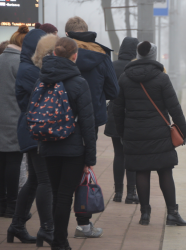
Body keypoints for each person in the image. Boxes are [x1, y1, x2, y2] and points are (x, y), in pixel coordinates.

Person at [113, 41, 186, 226]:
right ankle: (172, 214)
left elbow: (117, 109)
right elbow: (174, 107)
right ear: (153, 56)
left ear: (137, 55)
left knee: (141, 171)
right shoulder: (162, 78)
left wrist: (123, 133)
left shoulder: (124, 78)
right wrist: (183, 131)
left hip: (134, 133)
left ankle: (144, 214)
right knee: (165, 171)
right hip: (159, 133)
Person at [35, 37, 96, 250]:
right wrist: (90, 157)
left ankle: (57, 239)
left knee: (55, 193)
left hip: (48, 145)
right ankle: (60, 243)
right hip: (72, 149)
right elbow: (88, 123)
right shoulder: (79, 83)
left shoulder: (42, 79)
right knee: (64, 196)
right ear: (74, 56)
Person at [64, 16, 119, 238]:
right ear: (87, 32)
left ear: (67, 34)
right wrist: (95, 98)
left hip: (58, 120)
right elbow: (114, 91)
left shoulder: (58, 52)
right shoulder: (101, 55)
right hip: (89, 121)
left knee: (53, 176)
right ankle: (84, 224)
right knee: (83, 169)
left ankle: (50, 226)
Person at [7, 33, 59, 247]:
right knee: (45, 180)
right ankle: (48, 229)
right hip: (34, 131)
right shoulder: (30, 71)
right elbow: (48, 95)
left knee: (35, 180)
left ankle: (17, 225)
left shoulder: (30, 69)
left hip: (33, 130)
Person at [0, 25, 29, 219]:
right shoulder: (20, 63)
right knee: (14, 162)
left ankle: (1, 205)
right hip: (15, 118)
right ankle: (13, 206)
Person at [104, 37, 139, 204]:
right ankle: (131, 193)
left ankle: (118, 193)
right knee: (131, 154)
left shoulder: (111, 65)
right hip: (131, 116)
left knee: (118, 154)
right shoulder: (135, 67)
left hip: (113, 114)